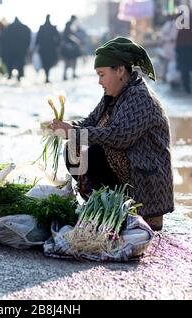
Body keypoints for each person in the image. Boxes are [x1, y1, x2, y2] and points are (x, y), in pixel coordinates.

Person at [50, 37, 174, 231]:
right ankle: (101, 205)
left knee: (93, 154)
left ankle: (124, 210)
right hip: (128, 167)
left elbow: (119, 137)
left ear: (120, 71)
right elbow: (90, 122)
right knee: (72, 148)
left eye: (102, 74)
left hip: (145, 177)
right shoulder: (114, 94)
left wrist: (74, 132)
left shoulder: (139, 97)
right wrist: (67, 127)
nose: (99, 81)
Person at [0, 17, 31, 81]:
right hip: (21, 50)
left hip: (11, 50)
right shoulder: (24, 28)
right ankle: (19, 76)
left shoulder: (9, 28)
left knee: (10, 63)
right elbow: (28, 38)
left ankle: (10, 75)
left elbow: (3, 39)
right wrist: (26, 47)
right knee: (20, 63)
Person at [36, 15, 61, 83]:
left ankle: (46, 75)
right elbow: (58, 39)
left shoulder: (42, 28)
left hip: (43, 49)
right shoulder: (53, 28)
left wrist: (37, 46)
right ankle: (47, 76)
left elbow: (38, 38)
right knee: (49, 63)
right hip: (50, 49)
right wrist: (56, 45)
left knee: (45, 63)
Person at [61, 15, 82, 80]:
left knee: (72, 60)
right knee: (69, 61)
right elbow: (68, 35)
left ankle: (71, 73)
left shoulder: (71, 25)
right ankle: (66, 74)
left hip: (71, 45)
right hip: (69, 46)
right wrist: (76, 40)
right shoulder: (69, 25)